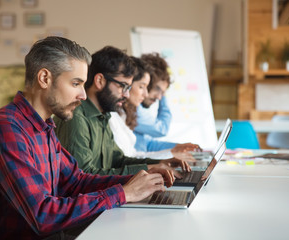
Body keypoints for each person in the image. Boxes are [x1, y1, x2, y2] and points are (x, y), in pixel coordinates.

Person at [0, 37, 175, 240]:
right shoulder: (5, 129)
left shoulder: (43, 126)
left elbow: (75, 181)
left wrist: (140, 178)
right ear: (45, 78)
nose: (83, 95)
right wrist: (122, 193)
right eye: (76, 84)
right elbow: (43, 215)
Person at [54, 46, 191, 177]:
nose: (126, 95)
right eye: (122, 86)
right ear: (100, 81)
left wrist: (158, 163)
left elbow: (118, 160)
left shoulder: (104, 115)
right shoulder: (76, 116)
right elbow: (83, 176)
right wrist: (148, 169)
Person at [109, 56, 195, 162]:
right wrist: (171, 154)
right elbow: (162, 129)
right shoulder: (117, 114)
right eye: (143, 86)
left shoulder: (126, 113)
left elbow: (146, 144)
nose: (146, 94)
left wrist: (175, 150)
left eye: (147, 87)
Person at [134, 53, 201, 153]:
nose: (159, 97)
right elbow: (162, 129)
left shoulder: (136, 109)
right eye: (157, 89)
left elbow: (147, 144)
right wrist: (163, 98)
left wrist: (180, 147)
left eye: (163, 93)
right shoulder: (133, 111)